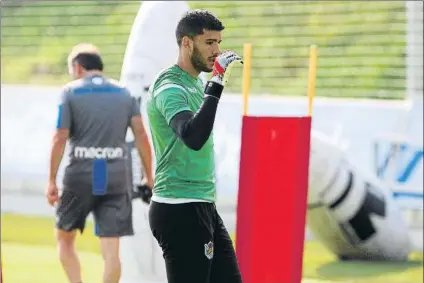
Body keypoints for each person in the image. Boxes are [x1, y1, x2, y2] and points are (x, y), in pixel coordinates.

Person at [146, 9, 243, 283]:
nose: (217, 50)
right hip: (179, 207)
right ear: (187, 43)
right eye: (209, 42)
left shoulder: (196, 82)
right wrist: (217, 82)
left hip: (201, 204)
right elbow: (192, 136)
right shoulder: (170, 86)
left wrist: (211, 84)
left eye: (219, 42)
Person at [46, 43, 154, 283]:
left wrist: (52, 180)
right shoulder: (124, 93)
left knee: (64, 239)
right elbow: (141, 136)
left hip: (79, 176)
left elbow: (60, 137)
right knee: (112, 252)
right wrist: (149, 176)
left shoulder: (70, 92)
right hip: (114, 176)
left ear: (77, 67)